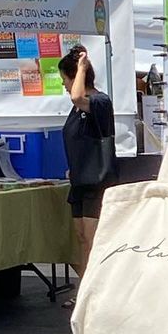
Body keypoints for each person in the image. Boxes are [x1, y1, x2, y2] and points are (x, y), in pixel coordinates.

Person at [58, 45, 117, 292]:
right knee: (82, 238)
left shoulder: (99, 102)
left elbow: (77, 97)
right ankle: (85, 290)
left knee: (94, 240)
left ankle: (99, 291)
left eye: (65, 79)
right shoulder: (76, 109)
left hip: (97, 182)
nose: (63, 84)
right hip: (80, 181)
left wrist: (81, 66)